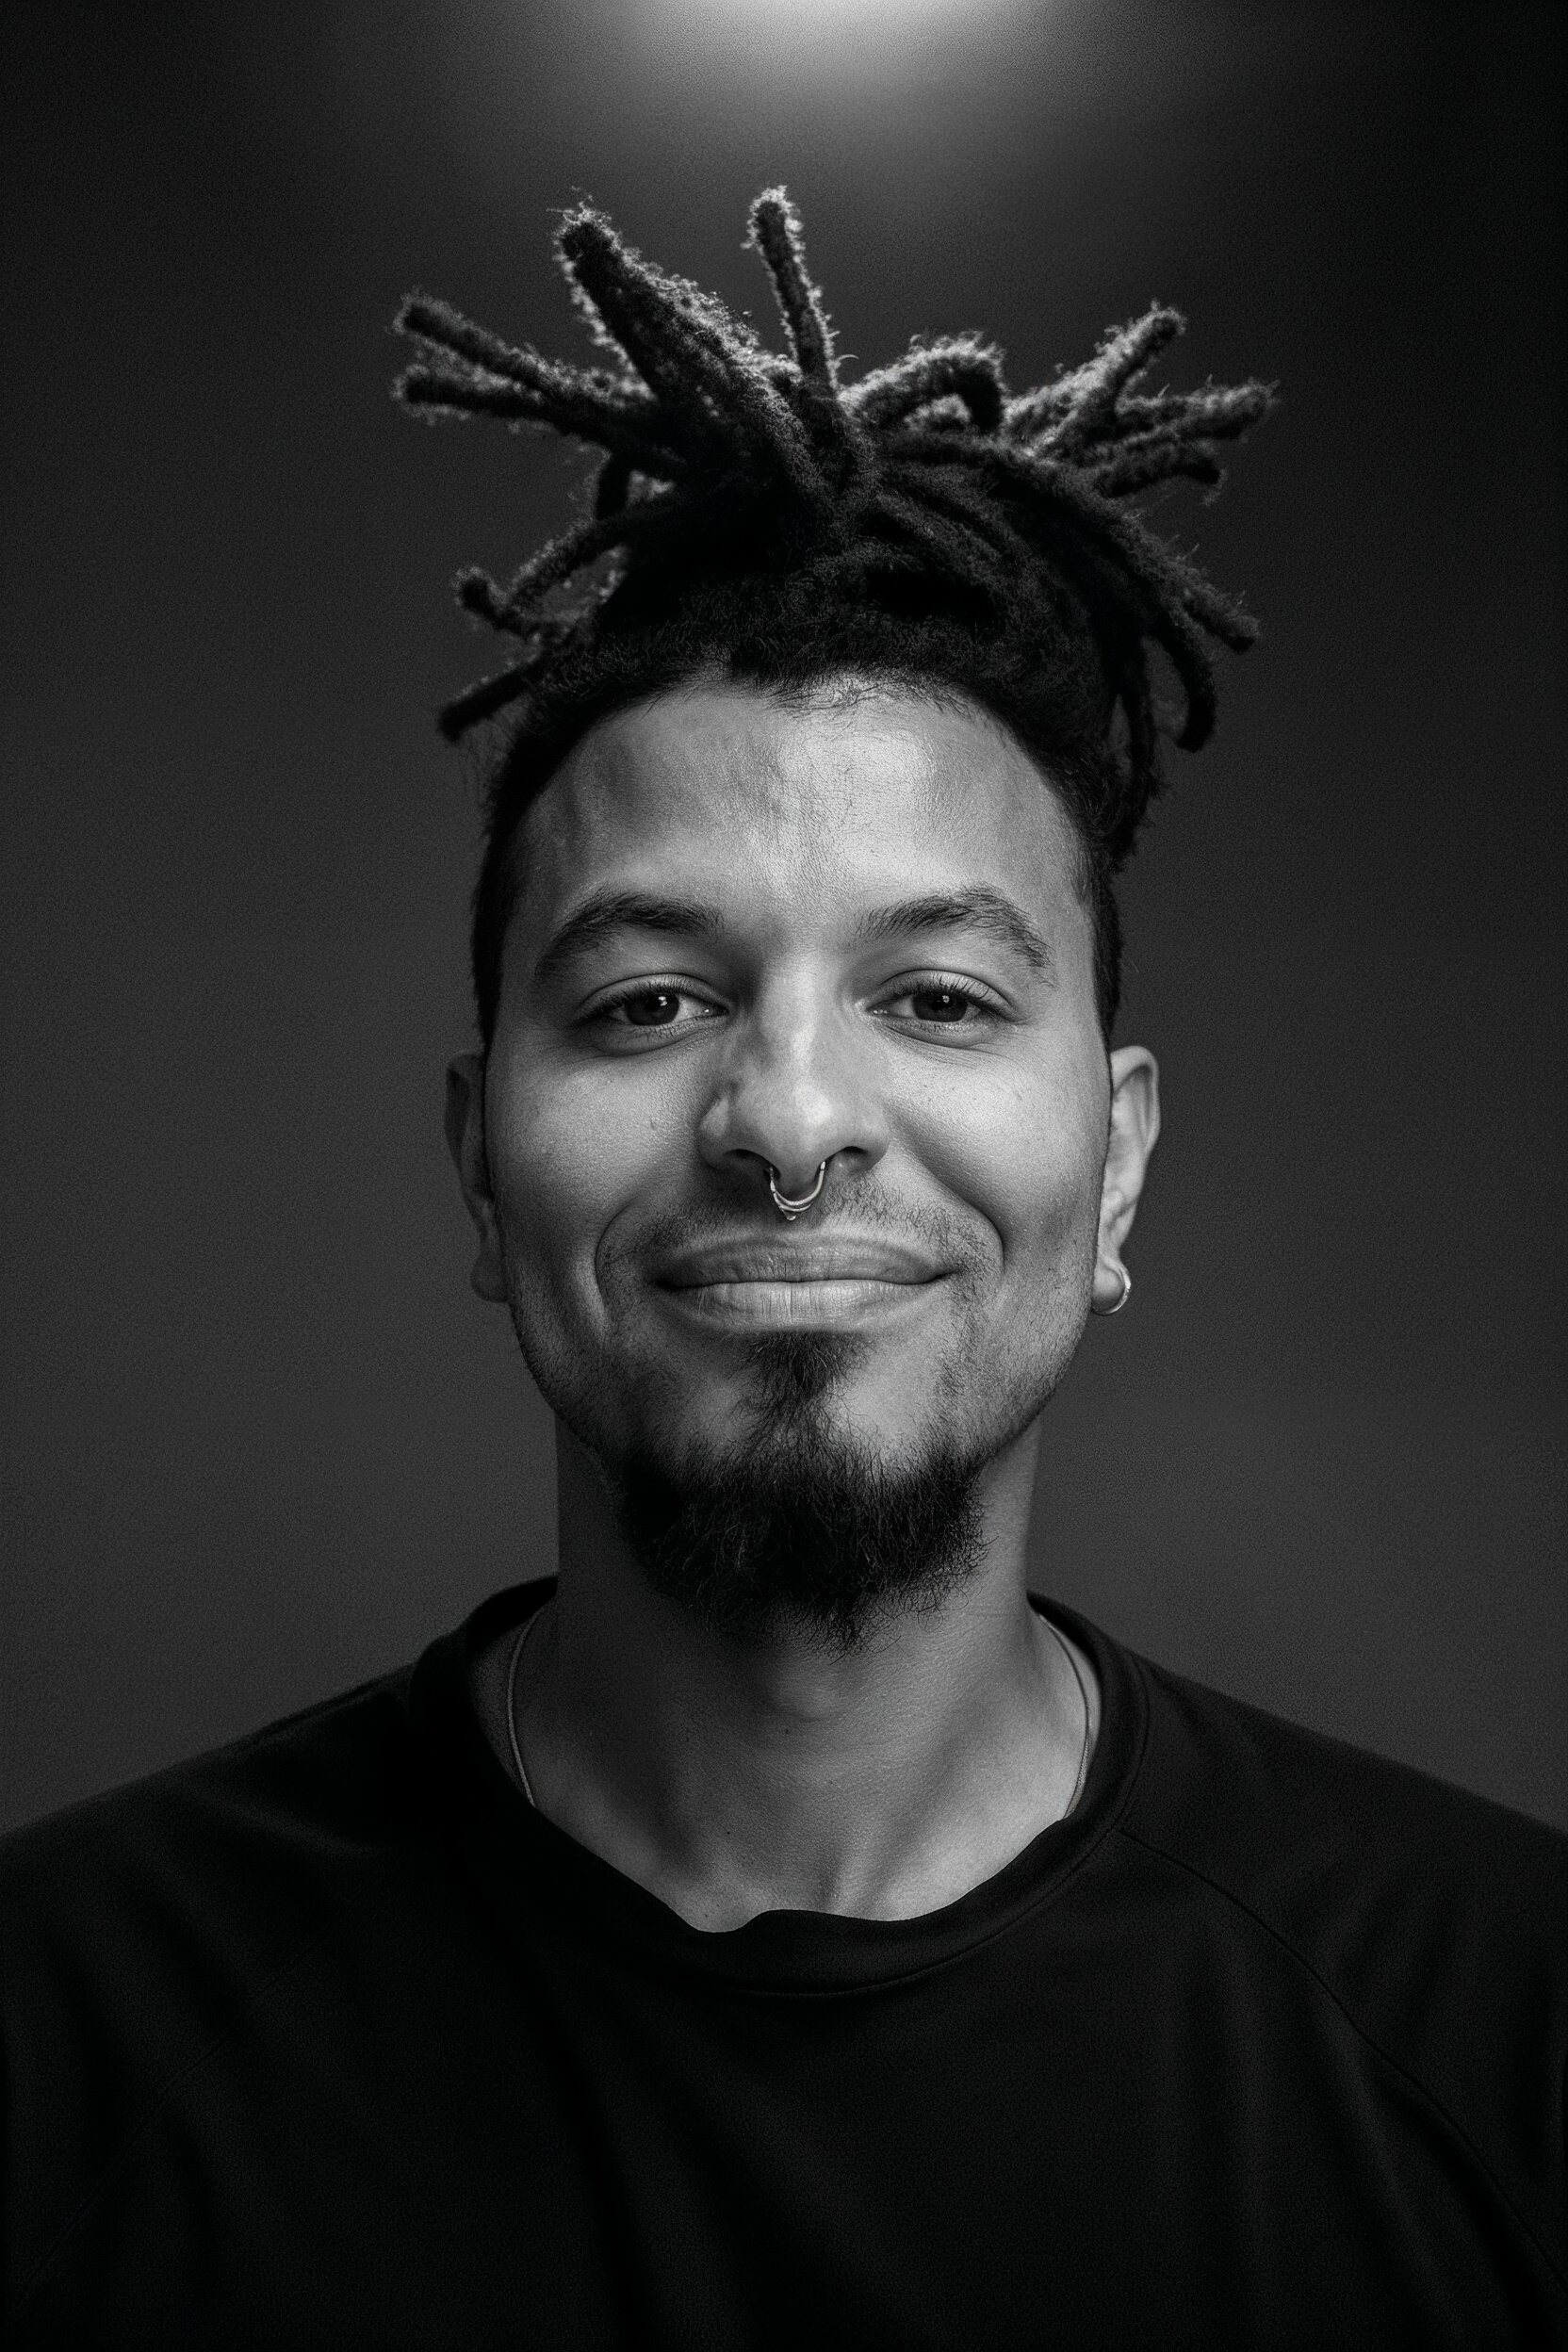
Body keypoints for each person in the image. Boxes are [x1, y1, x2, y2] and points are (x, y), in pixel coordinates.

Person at [3, 189, 1563, 2350]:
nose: (790, 1118)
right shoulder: (60, 2043)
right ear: (481, 1170)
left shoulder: (1503, 2034)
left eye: (937, 998)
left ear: (1114, 1164)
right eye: (646, 1002)